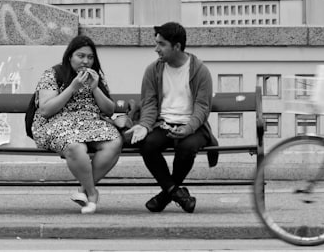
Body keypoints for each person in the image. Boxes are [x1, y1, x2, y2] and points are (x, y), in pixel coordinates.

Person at [126, 21, 217, 213]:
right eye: (156, 43)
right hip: (163, 124)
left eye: (161, 44)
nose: (156, 49)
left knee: (187, 146)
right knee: (147, 143)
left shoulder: (200, 71)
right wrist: (144, 125)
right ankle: (176, 193)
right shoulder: (153, 70)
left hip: (193, 127)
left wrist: (188, 128)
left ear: (177, 46)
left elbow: (202, 107)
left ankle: (165, 195)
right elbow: (149, 103)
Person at [31, 35, 123, 215]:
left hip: (90, 123)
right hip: (57, 123)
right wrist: (72, 87)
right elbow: (46, 110)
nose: (86, 61)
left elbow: (109, 110)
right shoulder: (53, 74)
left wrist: (95, 88)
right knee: (75, 146)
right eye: (81, 56)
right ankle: (92, 193)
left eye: (90, 57)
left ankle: (83, 190)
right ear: (70, 56)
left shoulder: (96, 76)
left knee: (115, 142)